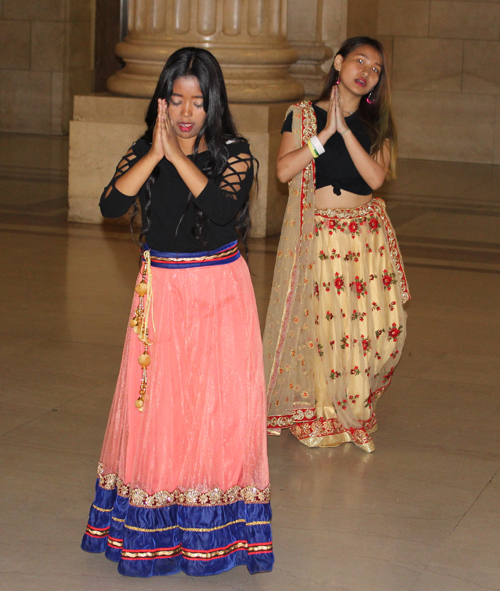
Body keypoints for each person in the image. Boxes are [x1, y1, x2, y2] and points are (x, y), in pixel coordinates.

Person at [81, 47, 274, 577]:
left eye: (198, 101)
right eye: (176, 99)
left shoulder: (235, 151)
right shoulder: (144, 150)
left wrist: (179, 157)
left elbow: (220, 209)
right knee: (160, 412)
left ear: (213, 105)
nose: (187, 112)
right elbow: (110, 205)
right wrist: (155, 152)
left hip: (220, 293)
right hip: (162, 294)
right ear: (162, 102)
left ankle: (215, 531)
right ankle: (156, 531)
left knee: (215, 410)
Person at [263, 37, 410, 453]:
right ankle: (328, 412)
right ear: (339, 62)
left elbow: (376, 179)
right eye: (359, 60)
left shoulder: (378, 123)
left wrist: (344, 133)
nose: (366, 71)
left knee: (378, 329)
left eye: (376, 68)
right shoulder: (303, 115)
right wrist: (323, 135)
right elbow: (284, 171)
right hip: (323, 235)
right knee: (330, 328)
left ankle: (355, 400)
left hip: (366, 236)